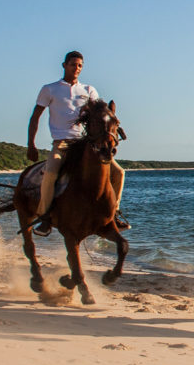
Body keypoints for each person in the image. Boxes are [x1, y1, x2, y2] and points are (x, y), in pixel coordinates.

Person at [27, 51, 124, 231]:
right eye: (73, 64)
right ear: (64, 65)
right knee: (50, 173)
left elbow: (100, 115)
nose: (76, 68)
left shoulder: (89, 90)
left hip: (85, 144)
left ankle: (113, 214)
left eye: (80, 65)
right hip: (62, 144)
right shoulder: (50, 89)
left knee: (119, 173)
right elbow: (35, 117)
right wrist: (31, 144)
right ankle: (45, 216)